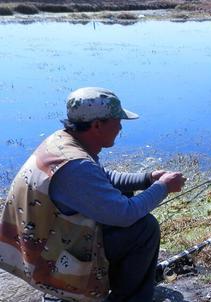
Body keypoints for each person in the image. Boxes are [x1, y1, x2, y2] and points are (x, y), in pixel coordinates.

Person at [0, 87, 186, 302]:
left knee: (124, 194)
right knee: (144, 228)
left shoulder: (62, 142)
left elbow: (99, 177)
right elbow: (125, 214)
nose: (120, 127)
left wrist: (147, 179)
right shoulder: (76, 166)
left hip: (40, 245)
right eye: (117, 121)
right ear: (97, 125)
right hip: (49, 260)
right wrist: (162, 187)